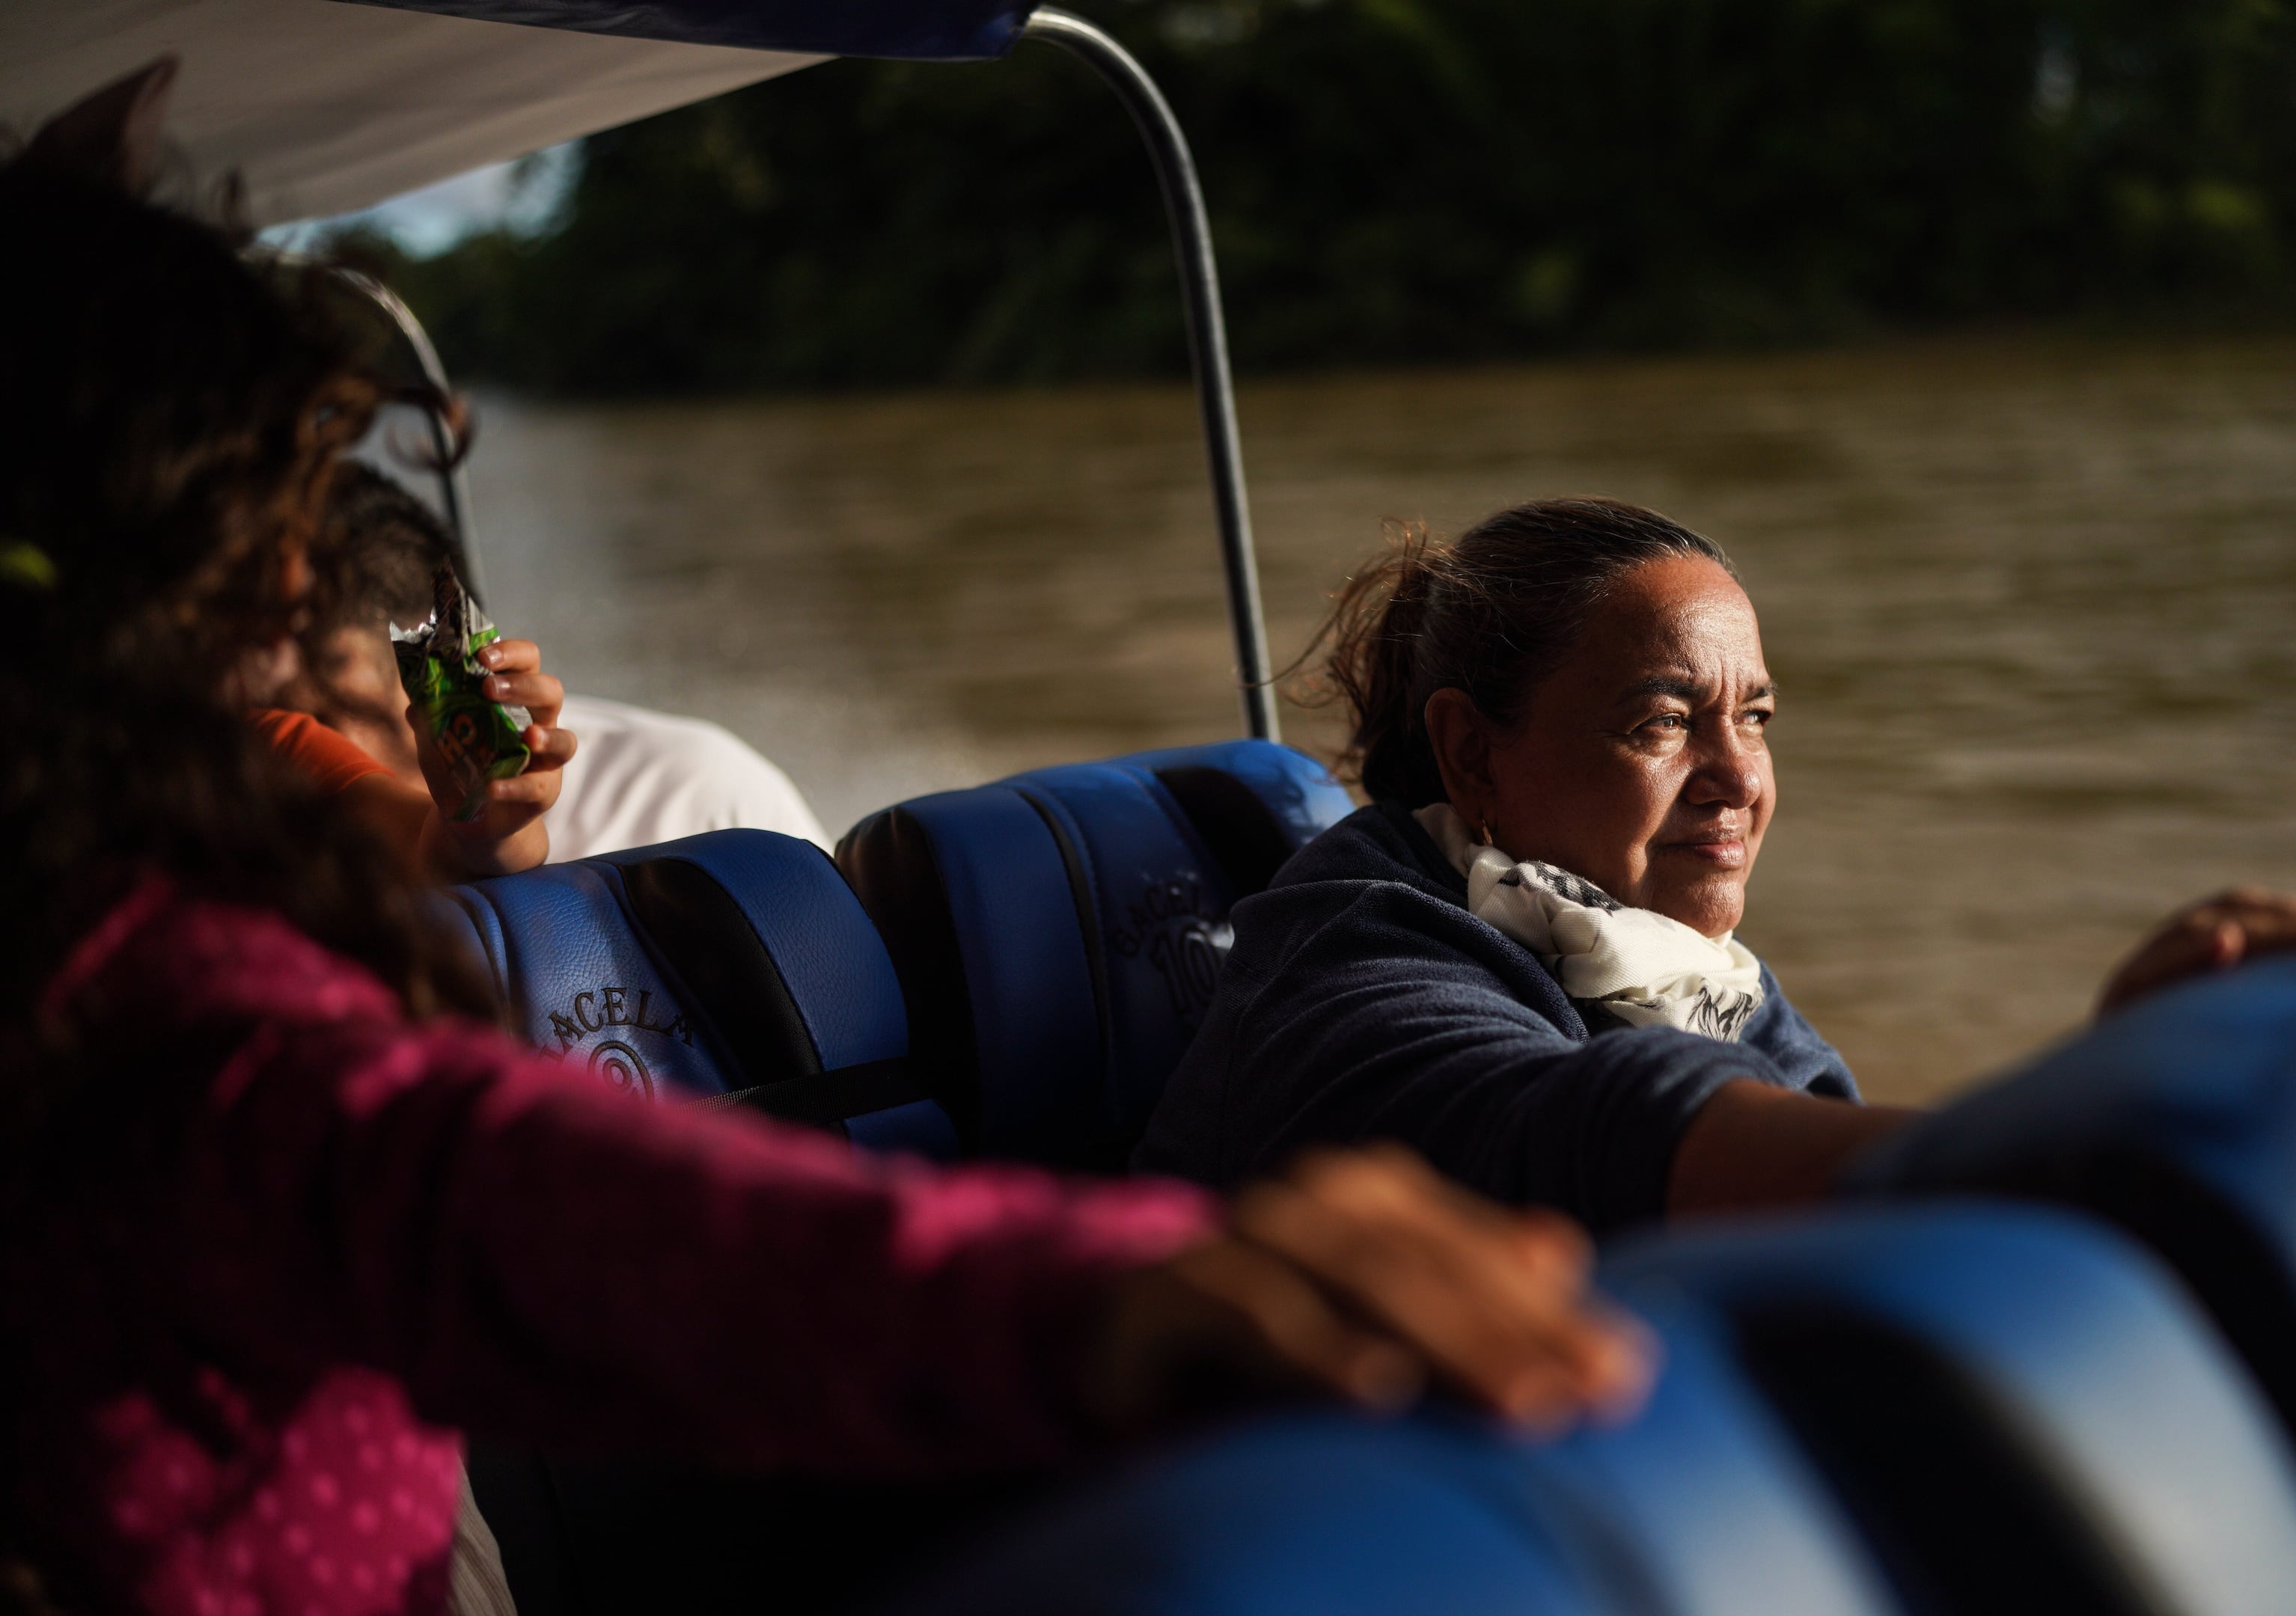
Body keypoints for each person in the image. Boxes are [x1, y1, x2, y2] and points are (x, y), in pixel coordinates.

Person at [0, 64, 1650, 1616]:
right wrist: (1115, 1301)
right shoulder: (161, 1017)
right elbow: (558, 1214)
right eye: (262, 549)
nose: (300, 602)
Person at [1135, 498, 2296, 1230]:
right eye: (1664, 722)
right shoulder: (1355, 968)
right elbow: (1594, 1133)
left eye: (1755, 716)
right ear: (1472, 755)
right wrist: (2102, 1105)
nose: (1740, 778)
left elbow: (1835, 1155)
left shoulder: (1681, 968)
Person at [280, 463, 830, 863]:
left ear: (445, 654)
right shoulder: (244, 824)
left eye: (329, 705)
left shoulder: (699, 795)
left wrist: (482, 823)